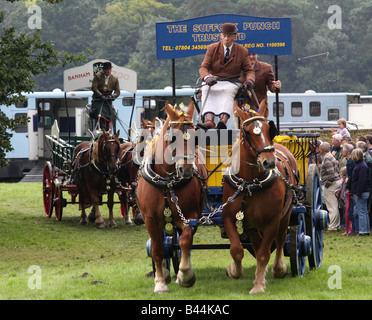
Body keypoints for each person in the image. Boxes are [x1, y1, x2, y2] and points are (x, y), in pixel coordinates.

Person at [198, 23, 255, 130]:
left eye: (229, 36)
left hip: (232, 82)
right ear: (221, 36)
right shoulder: (212, 48)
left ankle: (223, 121)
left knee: (228, 90)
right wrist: (206, 77)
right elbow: (203, 67)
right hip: (214, 81)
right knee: (205, 87)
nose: (226, 39)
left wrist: (250, 80)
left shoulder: (242, 51)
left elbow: (249, 70)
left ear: (234, 36)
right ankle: (209, 121)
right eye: (224, 36)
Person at [91, 62, 120, 131]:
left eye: (110, 69)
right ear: (103, 70)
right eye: (107, 69)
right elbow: (94, 88)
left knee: (111, 113)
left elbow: (118, 91)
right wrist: (101, 96)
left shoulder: (115, 79)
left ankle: (109, 130)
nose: (109, 71)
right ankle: (101, 128)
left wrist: (112, 96)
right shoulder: (97, 76)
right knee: (99, 112)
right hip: (98, 100)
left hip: (108, 100)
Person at [319, 142, 341, 232]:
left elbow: (331, 174)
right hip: (335, 182)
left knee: (332, 207)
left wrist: (326, 185)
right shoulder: (330, 156)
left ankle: (332, 227)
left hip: (331, 184)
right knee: (334, 206)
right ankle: (336, 226)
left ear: (322, 150)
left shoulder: (327, 158)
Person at [350, 148, 370, 236]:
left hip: (361, 192)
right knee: (364, 211)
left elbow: (362, 181)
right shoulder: (362, 165)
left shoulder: (361, 166)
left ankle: (363, 231)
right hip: (363, 191)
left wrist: (358, 193)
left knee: (361, 212)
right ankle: (366, 230)